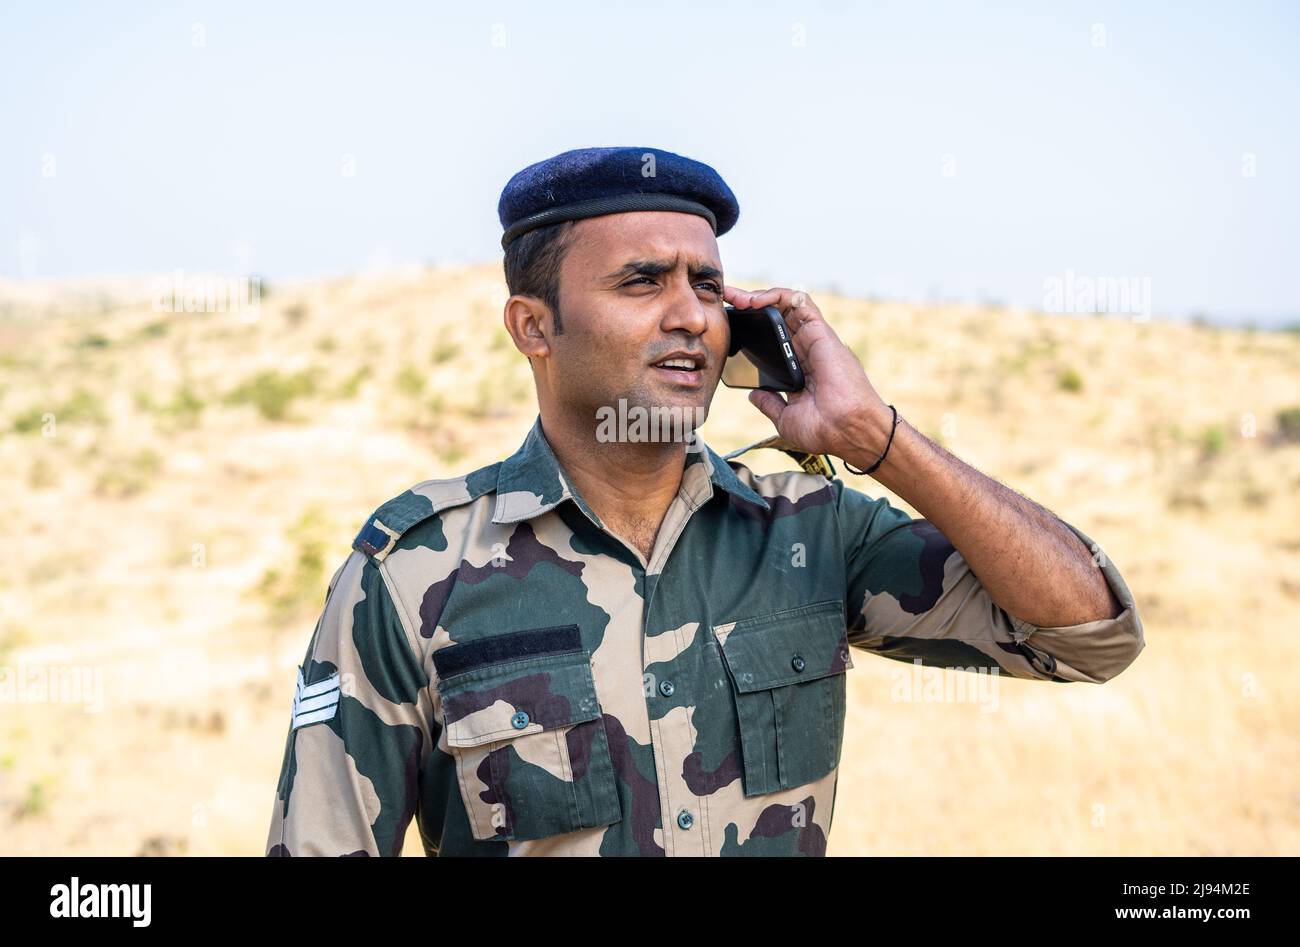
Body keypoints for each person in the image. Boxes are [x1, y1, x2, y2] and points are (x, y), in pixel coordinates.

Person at [264, 145, 1144, 857]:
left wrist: (877, 438)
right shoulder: (417, 570)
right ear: (534, 326)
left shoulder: (808, 532)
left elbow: (1089, 634)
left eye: (710, 285)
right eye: (643, 282)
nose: (692, 315)